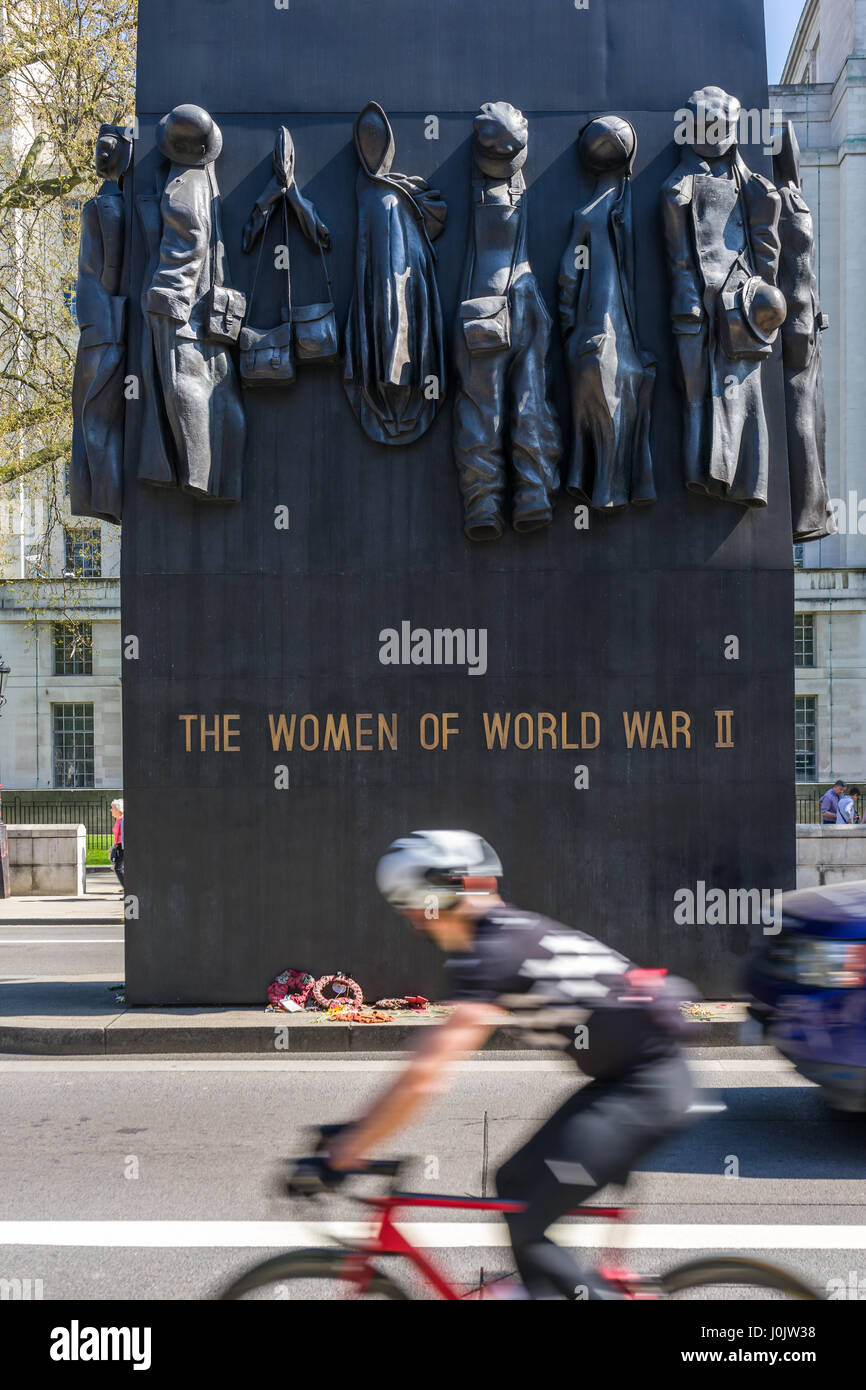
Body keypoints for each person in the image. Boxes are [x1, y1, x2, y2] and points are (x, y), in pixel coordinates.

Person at [320, 830, 697, 1300]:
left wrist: (347, 1148)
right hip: (628, 1082)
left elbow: (425, 1074)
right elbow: (425, 1059)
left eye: (409, 903)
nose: (414, 920)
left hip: (646, 1091)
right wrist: (356, 1133)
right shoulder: (502, 938)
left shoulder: (495, 951)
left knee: (525, 1215)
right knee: (512, 1185)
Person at [109, 799, 124, 885]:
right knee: (119, 868)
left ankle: (128, 890)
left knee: (118, 869)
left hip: (122, 847)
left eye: (113, 808)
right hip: (118, 847)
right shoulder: (118, 820)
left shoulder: (123, 820)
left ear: (118, 809)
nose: (111, 810)